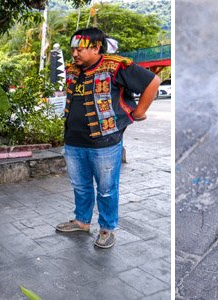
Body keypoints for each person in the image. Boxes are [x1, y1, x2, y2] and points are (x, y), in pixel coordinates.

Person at [54, 27, 160, 249]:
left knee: (106, 188)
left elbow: (153, 82)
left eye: (79, 49)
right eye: (73, 49)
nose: (74, 54)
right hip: (73, 140)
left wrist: (139, 112)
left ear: (95, 47)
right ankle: (82, 221)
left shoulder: (116, 66)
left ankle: (106, 228)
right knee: (80, 185)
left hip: (105, 143)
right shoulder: (74, 69)